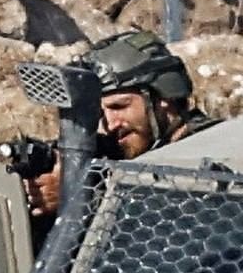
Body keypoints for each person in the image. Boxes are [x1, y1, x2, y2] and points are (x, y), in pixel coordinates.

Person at [25, 28, 217, 223]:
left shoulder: (211, 147)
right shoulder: (123, 154)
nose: (109, 125)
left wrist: (77, 195)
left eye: (118, 107)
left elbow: (183, 218)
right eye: (100, 113)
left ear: (164, 98)